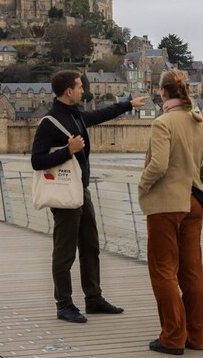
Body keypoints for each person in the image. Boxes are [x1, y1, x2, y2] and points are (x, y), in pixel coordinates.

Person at [31, 70, 148, 324]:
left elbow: (100, 115)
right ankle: (64, 304)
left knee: (90, 246)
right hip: (64, 193)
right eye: (79, 86)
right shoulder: (50, 122)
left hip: (81, 190)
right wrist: (67, 150)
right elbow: (36, 161)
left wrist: (128, 104)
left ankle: (93, 299)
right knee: (64, 252)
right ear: (68, 91)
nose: (83, 89)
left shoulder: (76, 116)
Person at [139, 69, 203, 355]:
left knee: (163, 270)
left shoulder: (163, 123)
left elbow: (159, 165)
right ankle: (197, 337)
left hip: (165, 205)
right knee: (192, 270)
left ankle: (173, 337)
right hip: (194, 204)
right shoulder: (201, 123)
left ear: (163, 92)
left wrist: (143, 184)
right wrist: (195, 180)